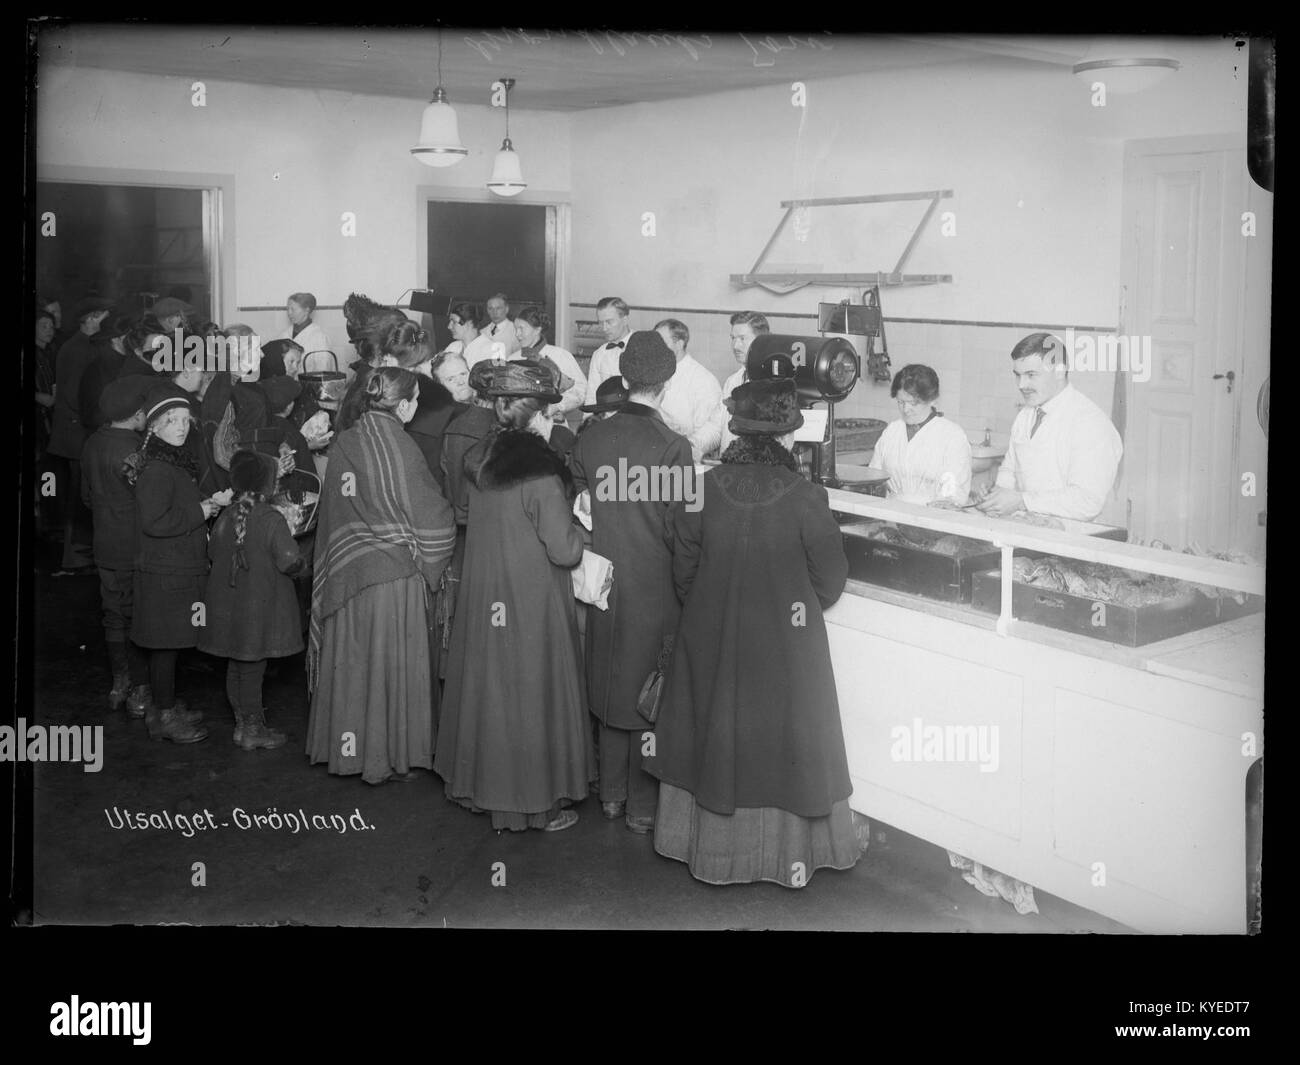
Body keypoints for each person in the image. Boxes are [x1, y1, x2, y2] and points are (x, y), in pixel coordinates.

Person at [647, 376, 866, 885]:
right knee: (784, 744)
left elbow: (684, 571)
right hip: (787, 650)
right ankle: (785, 858)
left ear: (737, 435)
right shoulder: (807, 497)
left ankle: (707, 853)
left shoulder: (704, 489)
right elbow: (830, 582)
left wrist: (713, 609)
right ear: (788, 439)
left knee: (713, 734)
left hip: (710, 639)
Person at [434, 360, 589, 832]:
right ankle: (534, 807)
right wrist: (581, 526)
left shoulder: (480, 462)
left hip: (484, 593)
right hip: (530, 600)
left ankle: (479, 790)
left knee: (489, 690)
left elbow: (466, 516)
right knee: (527, 693)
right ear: (536, 415)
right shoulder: (541, 476)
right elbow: (563, 552)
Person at [571, 330, 694, 834]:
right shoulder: (673, 446)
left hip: (604, 582)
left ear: (623, 380)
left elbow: (581, 502)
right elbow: (684, 528)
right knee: (650, 691)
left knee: (610, 681)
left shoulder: (592, 436)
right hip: (655, 586)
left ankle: (611, 797)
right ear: (664, 383)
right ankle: (644, 809)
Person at [307, 368, 455, 784]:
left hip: (347, 572)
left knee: (354, 665)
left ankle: (348, 753)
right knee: (392, 668)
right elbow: (431, 517)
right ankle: (389, 756)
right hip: (394, 580)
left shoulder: (347, 438)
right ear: (403, 405)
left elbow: (337, 510)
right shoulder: (401, 445)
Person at [124, 382, 232, 743]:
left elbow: (176, 505)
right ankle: (163, 716)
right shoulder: (157, 469)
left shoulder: (173, 459)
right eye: (172, 420)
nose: (182, 427)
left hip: (175, 567)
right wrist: (202, 509)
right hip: (165, 571)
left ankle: (163, 704)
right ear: (153, 426)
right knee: (165, 646)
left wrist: (208, 501)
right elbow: (155, 522)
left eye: (186, 419)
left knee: (169, 645)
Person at [200, 449, 306, 750]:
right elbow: (288, 560)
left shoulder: (226, 516)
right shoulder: (271, 518)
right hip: (260, 609)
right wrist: (304, 565)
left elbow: (211, 554)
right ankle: (252, 730)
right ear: (269, 486)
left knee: (238, 666)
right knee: (253, 668)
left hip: (229, 609)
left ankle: (242, 724)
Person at [976, 332, 1123, 521]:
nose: (1021, 385)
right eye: (1017, 375)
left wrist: (1021, 501)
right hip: (1031, 531)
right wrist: (996, 495)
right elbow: (1010, 469)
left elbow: (1087, 502)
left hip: (1076, 540)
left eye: (1031, 375)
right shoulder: (1025, 416)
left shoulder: (1091, 423)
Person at [79, 375, 155, 715]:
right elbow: (148, 500)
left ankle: (119, 683)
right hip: (134, 547)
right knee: (138, 615)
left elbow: (85, 497)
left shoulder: (93, 442)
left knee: (113, 615)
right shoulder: (134, 451)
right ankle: (141, 691)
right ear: (137, 414)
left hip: (104, 543)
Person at [48, 296, 116, 573]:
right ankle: (75, 558)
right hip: (76, 434)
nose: (105, 321)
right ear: (88, 319)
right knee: (79, 497)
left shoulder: (78, 346)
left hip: (75, 432)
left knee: (79, 495)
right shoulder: (79, 350)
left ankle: (79, 555)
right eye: (101, 316)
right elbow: (75, 395)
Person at [869, 364, 973, 505]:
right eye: (900, 402)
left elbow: (954, 492)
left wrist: (945, 504)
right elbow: (873, 477)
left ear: (932, 399)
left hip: (932, 517)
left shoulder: (952, 436)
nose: (906, 409)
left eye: (913, 403)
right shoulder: (892, 431)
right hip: (891, 513)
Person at [654, 318, 722, 461]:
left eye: (660, 342)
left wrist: (688, 446)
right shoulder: (652, 373)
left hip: (686, 457)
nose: (655, 347)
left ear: (679, 344)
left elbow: (713, 428)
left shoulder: (703, 380)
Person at [513, 305, 586, 419]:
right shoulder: (511, 358)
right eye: (515, 329)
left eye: (521, 328)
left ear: (537, 330)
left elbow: (580, 390)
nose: (517, 334)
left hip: (551, 421)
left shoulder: (561, 355)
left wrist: (557, 407)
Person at [714, 310, 771, 456]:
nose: (735, 346)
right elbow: (717, 426)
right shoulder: (732, 381)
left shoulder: (774, 384)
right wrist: (694, 444)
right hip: (728, 471)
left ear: (761, 341)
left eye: (742, 338)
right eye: (733, 338)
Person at [583, 296, 633, 407]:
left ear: (625, 320)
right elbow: (591, 397)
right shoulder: (599, 354)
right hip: (606, 419)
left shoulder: (642, 346)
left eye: (609, 322)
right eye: (600, 323)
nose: (604, 328)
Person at [276, 292, 332, 365]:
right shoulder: (284, 335)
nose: (289, 313)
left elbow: (324, 369)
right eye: (288, 309)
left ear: (307, 310)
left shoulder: (320, 338)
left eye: (293, 309)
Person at [444, 302, 497, 366]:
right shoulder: (453, 347)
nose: (449, 326)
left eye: (454, 322)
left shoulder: (493, 350)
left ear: (470, 323)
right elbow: (431, 368)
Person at [483, 292, 522, 358]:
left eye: (498, 308)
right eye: (490, 308)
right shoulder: (482, 332)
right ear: (487, 310)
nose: (494, 312)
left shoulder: (516, 331)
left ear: (506, 309)